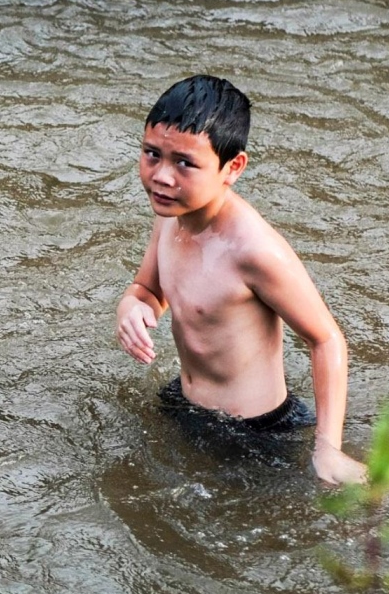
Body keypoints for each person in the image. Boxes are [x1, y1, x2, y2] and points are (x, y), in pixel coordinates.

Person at [114, 76, 365, 485]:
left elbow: (326, 339)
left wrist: (328, 448)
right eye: (151, 154)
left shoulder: (254, 251)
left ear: (232, 168)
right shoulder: (170, 216)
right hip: (185, 401)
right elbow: (149, 289)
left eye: (185, 163)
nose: (161, 176)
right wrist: (133, 305)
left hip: (255, 431)